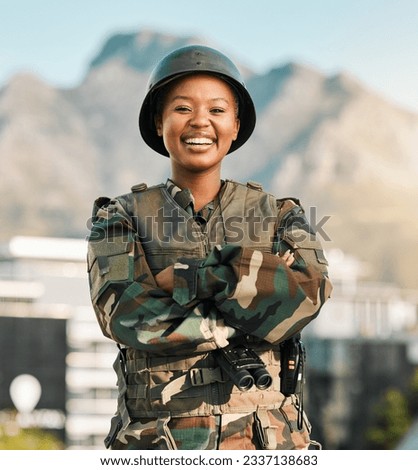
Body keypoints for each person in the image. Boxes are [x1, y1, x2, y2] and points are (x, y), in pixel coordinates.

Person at [87, 45, 333, 450]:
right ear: (159, 122)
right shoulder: (120, 218)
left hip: (269, 443)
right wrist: (255, 305)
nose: (200, 121)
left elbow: (309, 296)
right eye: (182, 108)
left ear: (235, 125)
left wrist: (192, 278)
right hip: (157, 443)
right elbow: (127, 316)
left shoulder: (278, 214)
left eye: (217, 110)